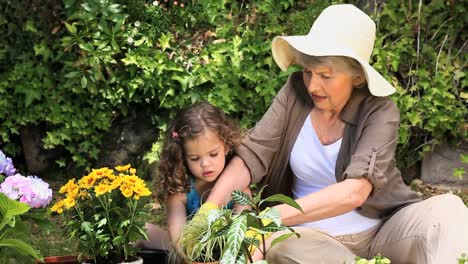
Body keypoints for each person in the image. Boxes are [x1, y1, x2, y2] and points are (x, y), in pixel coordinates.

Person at [190, 4, 468, 264]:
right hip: (311, 237)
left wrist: (272, 216)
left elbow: (355, 191)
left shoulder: (380, 111)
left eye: (326, 75)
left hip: (384, 230)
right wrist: (208, 212)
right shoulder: (295, 92)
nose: (313, 85)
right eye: (309, 72)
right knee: (280, 245)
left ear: (356, 76)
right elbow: (252, 155)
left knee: (449, 211)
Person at [135, 101, 250, 259]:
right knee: (141, 230)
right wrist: (193, 257)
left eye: (213, 154)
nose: (205, 164)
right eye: (195, 158)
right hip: (188, 251)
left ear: (226, 146)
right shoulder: (181, 190)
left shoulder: (238, 186)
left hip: (227, 252)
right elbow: (178, 240)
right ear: (182, 156)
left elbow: (245, 232)